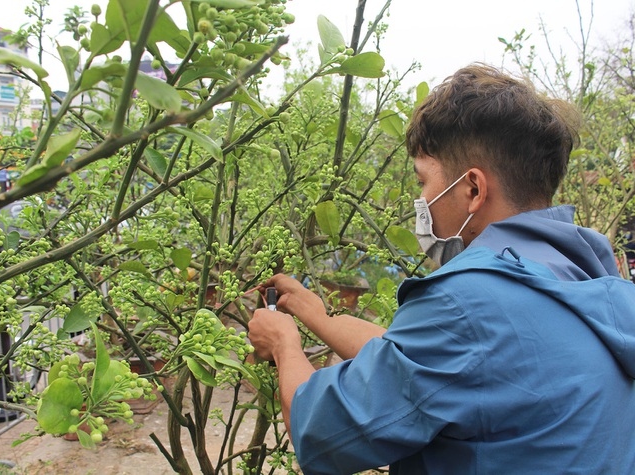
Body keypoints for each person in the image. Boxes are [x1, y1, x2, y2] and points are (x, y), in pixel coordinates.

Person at [247, 63, 635, 474]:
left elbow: (319, 430)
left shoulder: (467, 304)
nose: (422, 199)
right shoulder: (585, 278)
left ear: (472, 189)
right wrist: (317, 317)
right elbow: (433, 365)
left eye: (422, 181)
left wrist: (283, 344)